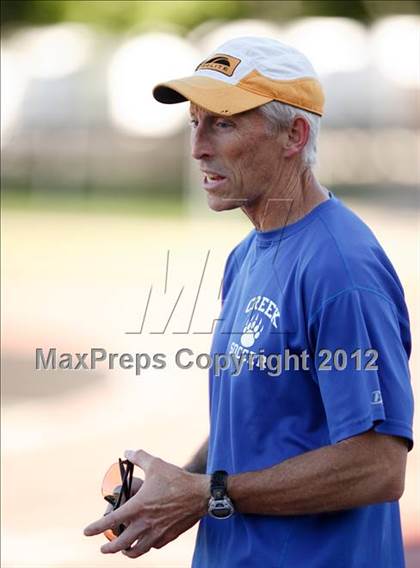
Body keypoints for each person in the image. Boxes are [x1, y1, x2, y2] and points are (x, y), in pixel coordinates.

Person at [84, 37, 414, 567]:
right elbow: (261, 418)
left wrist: (208, 493)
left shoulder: (340, 268)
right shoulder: (247, 256)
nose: (197, 147)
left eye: (224, 123)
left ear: (294, 134)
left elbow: (377, 466)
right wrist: (181, 485)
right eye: (195, 122)